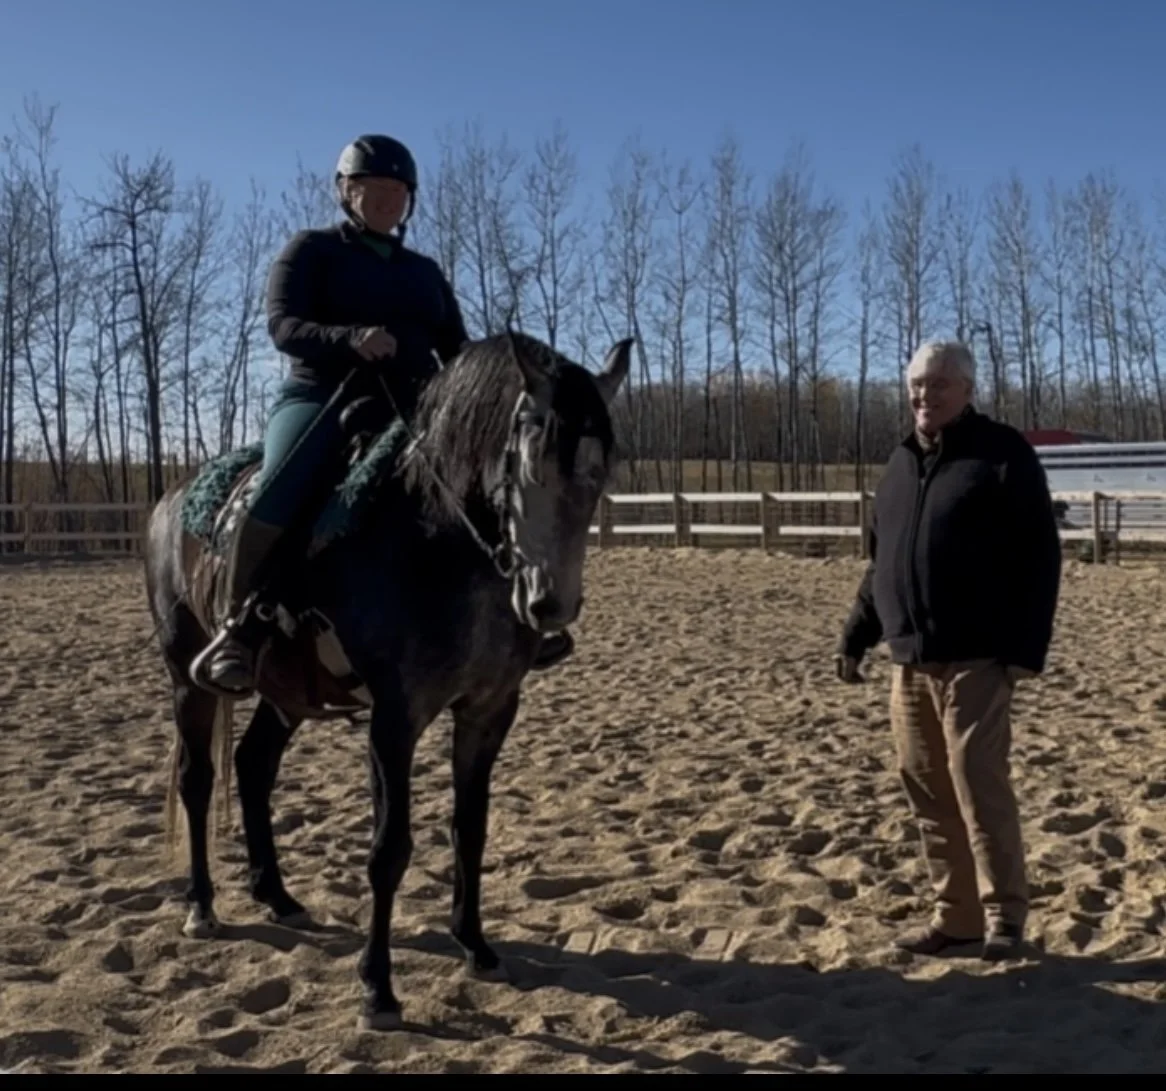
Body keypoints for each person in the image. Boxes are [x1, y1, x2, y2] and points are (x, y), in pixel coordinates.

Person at [191, 134, 573, 698]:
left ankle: (517, 621)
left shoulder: (424, 272)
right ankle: (239, 628)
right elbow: (283, 326)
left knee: (485, 490)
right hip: (322, 395)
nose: (386, 199)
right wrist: (348, 339)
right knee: (281, 483)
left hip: (417, 406)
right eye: (373, 188)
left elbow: (457, 349)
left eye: (397, 190)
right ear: (346, 192)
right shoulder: (310, 251)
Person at [834, 339, 1062, 962]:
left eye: (937, 385)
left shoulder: (1002, 455)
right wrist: (857, 635)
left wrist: (1025, 649)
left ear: (966, 389)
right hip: (910, 659)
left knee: (976, 781)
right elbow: (882, 565)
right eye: (915, 385)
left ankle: (1005, 916)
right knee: (927, 787)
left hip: (979, 655)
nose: (923, 396)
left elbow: (1040, 557)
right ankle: (956, 915)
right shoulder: (900, 464)